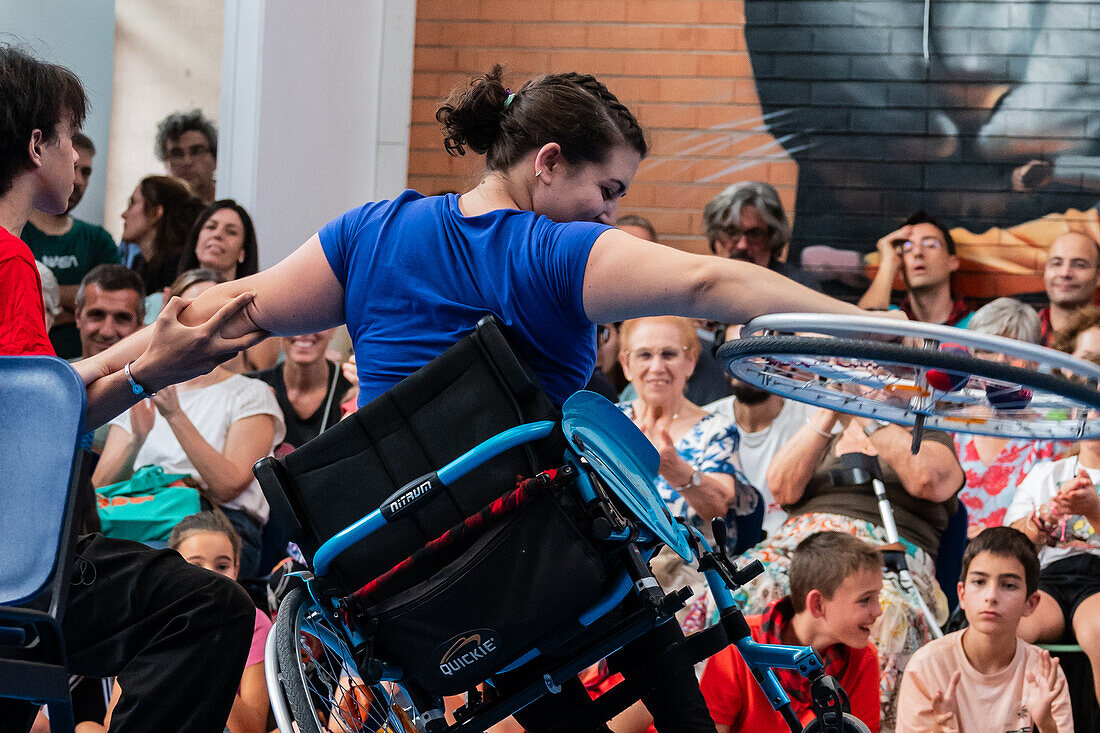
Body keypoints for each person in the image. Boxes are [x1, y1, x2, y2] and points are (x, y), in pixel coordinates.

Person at [95, 64, 893, 732]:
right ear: (546, 162)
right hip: (543, 562)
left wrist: (88, 381)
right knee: (619, 572)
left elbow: (220, 313)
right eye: (606, 190)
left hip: (405, 586)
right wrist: (878, 327)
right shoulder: (554, 250)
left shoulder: (371, 232)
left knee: (542, 591)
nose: (610, 215)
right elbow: (710, 280)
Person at [0, 43, 261, 733]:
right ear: (36, 145)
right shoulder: (9, 258)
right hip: (14, 561)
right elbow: (34, 420)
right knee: (210, 609)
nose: (75, 158)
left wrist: (155, 348)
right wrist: (151, 372)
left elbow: (48, 385)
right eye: (66, 137)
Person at [739, 407, 964, 726]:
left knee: (889, 616)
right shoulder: (825, 432)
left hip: (884, 550)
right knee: (730, 590)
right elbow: (781, 488)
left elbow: (927, 480)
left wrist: (868, 413)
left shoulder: (929, 433)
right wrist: (831, 407)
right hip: (807, 543)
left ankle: (853, 723)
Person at [94, 269, 286, 577]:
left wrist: (174, 415)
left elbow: (228, 487)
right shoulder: (141, 388)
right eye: (194, 310)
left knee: (144, 565)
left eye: (214, 310)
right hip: (141, 515)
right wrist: (136, 440)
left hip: (219, 528)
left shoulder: (252, 393)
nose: (204, 322)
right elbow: (98, 493)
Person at [617, 316, 760, 631]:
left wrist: (676, 469)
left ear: (690, 362)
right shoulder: (609, 422)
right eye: (644, 355)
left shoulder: (715, 429)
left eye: (669, 354)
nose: (657, 367)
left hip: (687, 574)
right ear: (626, 364)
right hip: (615, 568)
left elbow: (718, 506)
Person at [1004, 323, 1100, 707]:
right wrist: (1037, 524)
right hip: (1050, 576)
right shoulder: (1046, 472)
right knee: (1002, 630)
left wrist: (1094, 512)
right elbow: (1009, 543)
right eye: (1088, 408)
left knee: (1097, 630)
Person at [700, 532, 883, 732]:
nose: (878, 611)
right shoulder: (738, 646)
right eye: (865, 600)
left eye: (877, 597)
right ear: (818, 604)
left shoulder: (863, 659)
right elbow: (711, 728)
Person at [895, 527, 1072, 733]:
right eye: (979, 582)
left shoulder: (1045, 674)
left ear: (1031, 603)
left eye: (1009, 585)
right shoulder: (927, 666)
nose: (991, 596)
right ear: (962, 595)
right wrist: (939, 728)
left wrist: (1046, 724)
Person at [954, 298, 1075, 538]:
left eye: (1013, 350)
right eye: (988, 349)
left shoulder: (1052, 436)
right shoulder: (947, 423)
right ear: (972, 355)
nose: (1001, 360)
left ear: (1034, 361)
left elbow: (1061, 521)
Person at [249, 329, 351, 573]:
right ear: (278, 326)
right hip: (267, 522)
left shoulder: (354, 387)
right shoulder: (252, 388)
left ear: (334, 328)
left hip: (330, 516)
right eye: (296, 322)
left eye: (318, 321)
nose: (306, 331)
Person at [705, 331, 819, 537]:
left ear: (785, 361)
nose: (748, 362)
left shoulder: (816, 419)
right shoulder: (704, 422)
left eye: (760, 351)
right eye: (736, 350)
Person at [21, 132, 119, 358]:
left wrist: (40, 299)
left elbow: (114, 301)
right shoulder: (13, 231)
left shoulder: (98, 239)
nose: (79, 181)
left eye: (87, 172)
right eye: (73, 166)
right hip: (24, 362)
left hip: (86, 366)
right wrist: (80, 300)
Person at [165, 199, 277, 371]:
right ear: (196, 241)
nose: (217, 235)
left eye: (231, 232)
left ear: (242, 252)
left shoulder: (260, 310)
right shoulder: (161, 301)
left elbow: (260, 375)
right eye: (210, 227)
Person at [858, 211, 973, 327]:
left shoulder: (977, 325)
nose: (917, 252)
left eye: (930, 244)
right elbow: (860, 333)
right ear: (901, 271)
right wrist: (888, 264)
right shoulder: (891, 319)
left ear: (952, 262)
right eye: (907, 247)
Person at [702, 181, 820, 290]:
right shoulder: (700, 287)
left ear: (773, 238)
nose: (742, 245)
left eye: (754, 234)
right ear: (714, 235)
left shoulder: (800, 287)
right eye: (731, 232)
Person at [119, 175, 205, 297]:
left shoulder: (180, 269)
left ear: (156, 213)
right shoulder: (139, 264)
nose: (124, 214)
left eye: (132, 203)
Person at [1039, 231, 1100, 345]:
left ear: (1098, 276)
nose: (1065, 273)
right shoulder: (1021, 333)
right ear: (1045, 270)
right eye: (1057, 263)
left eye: (1079, 265)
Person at [74, 264, 146, 360]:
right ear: (77, 316)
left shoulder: (159, 375)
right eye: (97, 315)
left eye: (122, 318)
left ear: (140, 323)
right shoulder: (55, 374)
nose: (107, 332)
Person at [155, 109, 218, 204]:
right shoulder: (156, 210)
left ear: (214, 159)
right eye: (177, 154)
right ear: (165, 162)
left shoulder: (232, 203)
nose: (187, 162)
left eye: (196, 152)